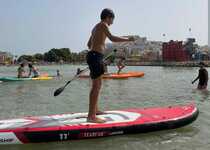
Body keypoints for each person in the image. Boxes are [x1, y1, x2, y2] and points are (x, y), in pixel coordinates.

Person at [86, 8, 135, 123]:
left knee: (96, 85)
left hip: (93, 55)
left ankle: (95, 110)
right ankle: (91, 116)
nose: (112, 22)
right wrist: (129, 39)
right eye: (112, 19)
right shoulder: (103, 25)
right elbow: (112, 38)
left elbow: (88, 45)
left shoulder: (95, 28)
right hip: (96, 56)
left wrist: (98, 46)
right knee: (96, 87)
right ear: (108, 17)